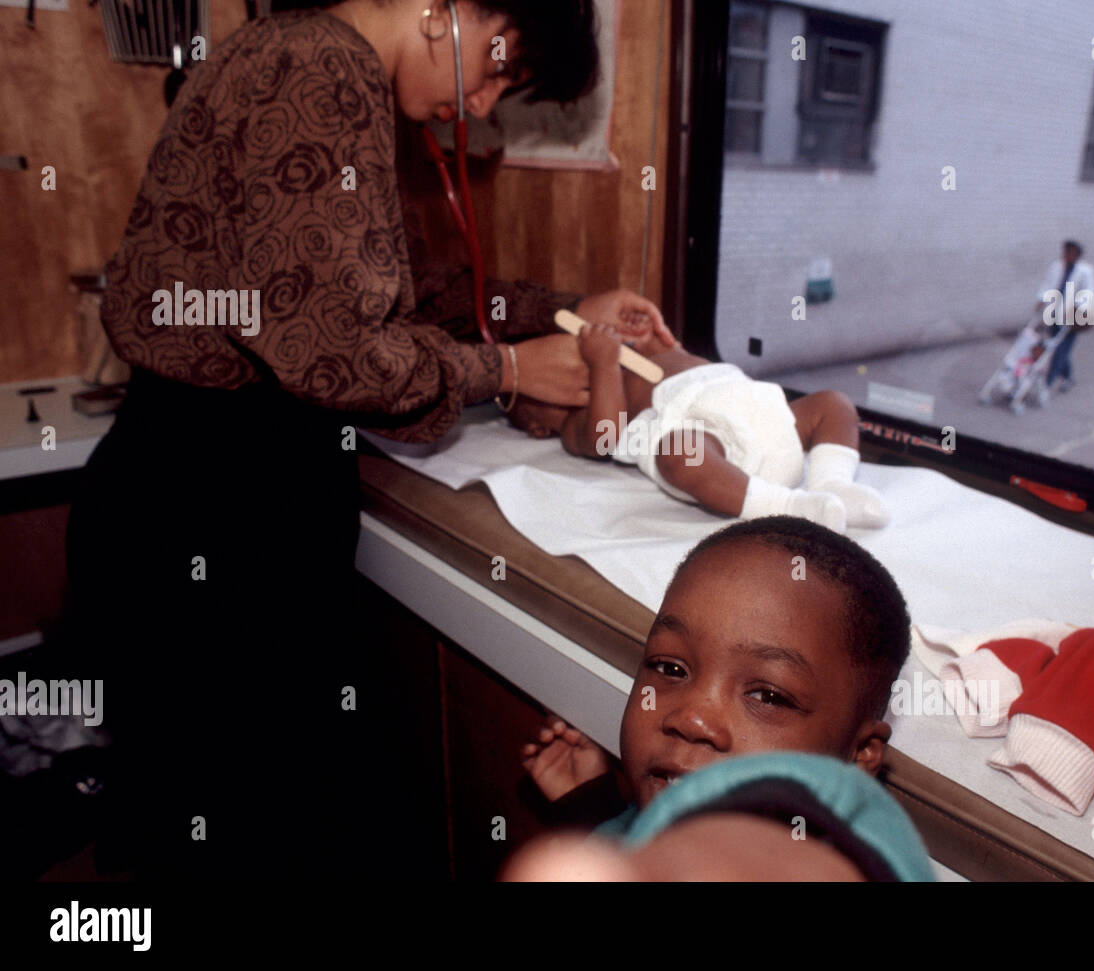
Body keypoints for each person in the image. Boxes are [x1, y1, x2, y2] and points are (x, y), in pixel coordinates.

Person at [64, 0, 675, 878]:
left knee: (211, 814)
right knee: (239, 831)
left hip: (190, 492)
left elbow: (406, 293)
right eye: (499, 66)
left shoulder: (298, 56)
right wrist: (504, 373)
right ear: (444, 11)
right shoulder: (325, 67)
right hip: (211, 507)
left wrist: (568, 309)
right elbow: (336, 351)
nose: (482, 105)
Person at [509, 516, 935, 880]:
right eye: (670, 668)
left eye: (768, 696)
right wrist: (589, 808)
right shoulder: (646, 811)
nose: (691, 718)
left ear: (858, 755)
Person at [504, 323, 890, 533]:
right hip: (712, 447)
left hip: (764, 413)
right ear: (536, 427)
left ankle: (832, 484)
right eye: (536, 384)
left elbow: (677, 360)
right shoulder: (576, 424)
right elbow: (606, 437)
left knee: (832, 404)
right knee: (680, 454)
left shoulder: (631, 367)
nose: (561, 372)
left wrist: (655, 343)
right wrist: (603, 365)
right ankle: (787, 507)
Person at [1034, 239, 1094, 392]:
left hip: (1072, 317)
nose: (1066, 255)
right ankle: (1068, 377)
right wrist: (1041, 299)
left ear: (1076, 255)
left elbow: (1089, 292)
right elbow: (1048, 284)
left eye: (1070, 253)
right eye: (1065, 252)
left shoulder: (1086, 271)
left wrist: (1078, 308)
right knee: (1056, 345)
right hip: (1054, 312)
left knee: (1060, 349)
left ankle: (1047, 383)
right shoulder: (1056, 266)